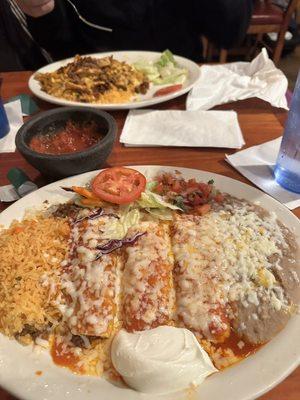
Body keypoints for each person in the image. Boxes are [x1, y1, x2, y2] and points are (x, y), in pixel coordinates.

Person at [14, 0, 253, 63]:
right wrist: (43, 13)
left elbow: (229, 33)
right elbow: (59, 45)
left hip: (180, 90)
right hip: (93, 100)